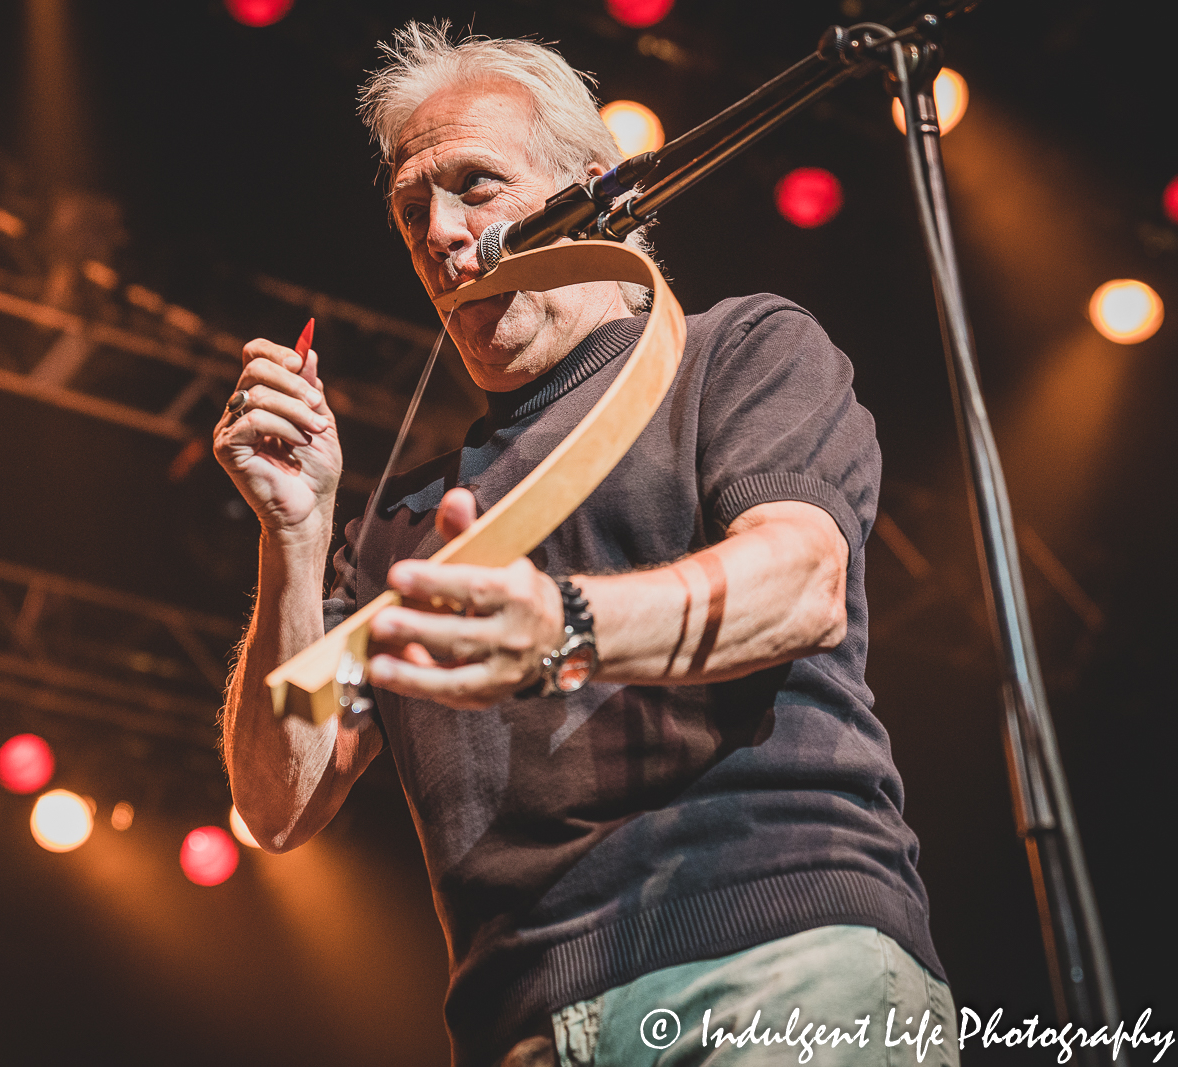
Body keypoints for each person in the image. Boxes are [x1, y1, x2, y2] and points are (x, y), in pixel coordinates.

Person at [212, 22, 954, 1067]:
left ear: (600, 189)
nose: (438, 229)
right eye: (412, 208)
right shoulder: (404, 524)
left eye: (474, 185)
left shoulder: (737, 351)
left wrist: (561, 627)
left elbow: (800, 580)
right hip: (521, 1029)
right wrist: (293, 534)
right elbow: (275, 800)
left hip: (774, 968)